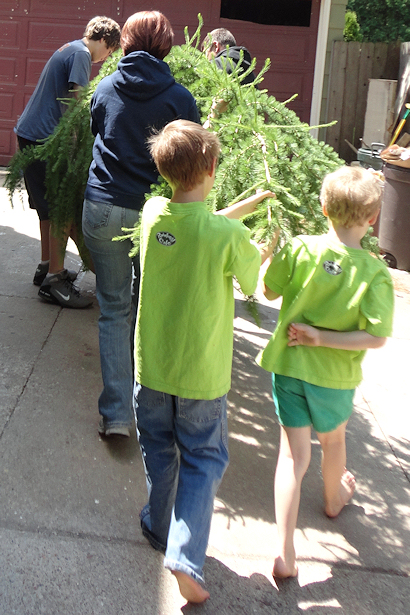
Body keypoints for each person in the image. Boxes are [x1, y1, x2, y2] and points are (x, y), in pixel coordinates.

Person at [134, 119, 276, 603]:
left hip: (151, 369)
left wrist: (247, 204)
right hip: (200, 376)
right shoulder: (226, 238)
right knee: (202, 458)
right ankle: (185, 557)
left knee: (159, 449)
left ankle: (158, 525)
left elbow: (203, 224)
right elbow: (252, 280)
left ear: (163, 167)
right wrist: (266, 249)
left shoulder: (153, 213)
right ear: (213, 167)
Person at [256, 166, 394, 579]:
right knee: (333, 443)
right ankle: (335, 498)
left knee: (292, 457)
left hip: (290, 368)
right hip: (334, 380)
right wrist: (324, 338)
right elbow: (375, 337)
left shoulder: (300, 248)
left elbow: (268, 291)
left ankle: (284, 552)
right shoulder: (374, 273)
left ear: (322, 207)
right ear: (373, 219)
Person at [82, 12, 200, 438]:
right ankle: (153, 411)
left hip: (101, 208)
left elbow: (99, 128)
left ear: (127, 42)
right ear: (166, 45)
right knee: (147, 308)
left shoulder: (107, 86)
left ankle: (117, 416)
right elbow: (189, 161)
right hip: (153, 216)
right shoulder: (180, 99)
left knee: (114, 308)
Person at [15, 16, 121, 309]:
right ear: (104, 41)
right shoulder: (82, 54)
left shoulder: (70, 47)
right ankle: (54, 282)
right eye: (109, 52)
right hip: (46, 139)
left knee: (47, 209)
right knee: (62, 209)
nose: (105, 59)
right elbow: (78, 101)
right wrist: (86, 143)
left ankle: (47, 265)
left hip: (30, 133)